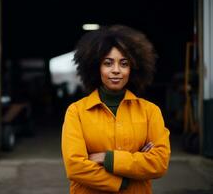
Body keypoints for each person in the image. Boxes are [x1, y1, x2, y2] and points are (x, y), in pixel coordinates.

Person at [61, 25, 171, 194]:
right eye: (108, 63)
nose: (116, 70)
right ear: (96, 68)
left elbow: (159, 163)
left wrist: (107, 158)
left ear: (133, 68)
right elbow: (75, 167)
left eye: (124, 63)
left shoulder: (150, 111)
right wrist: (128, 174)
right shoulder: (76, 112)